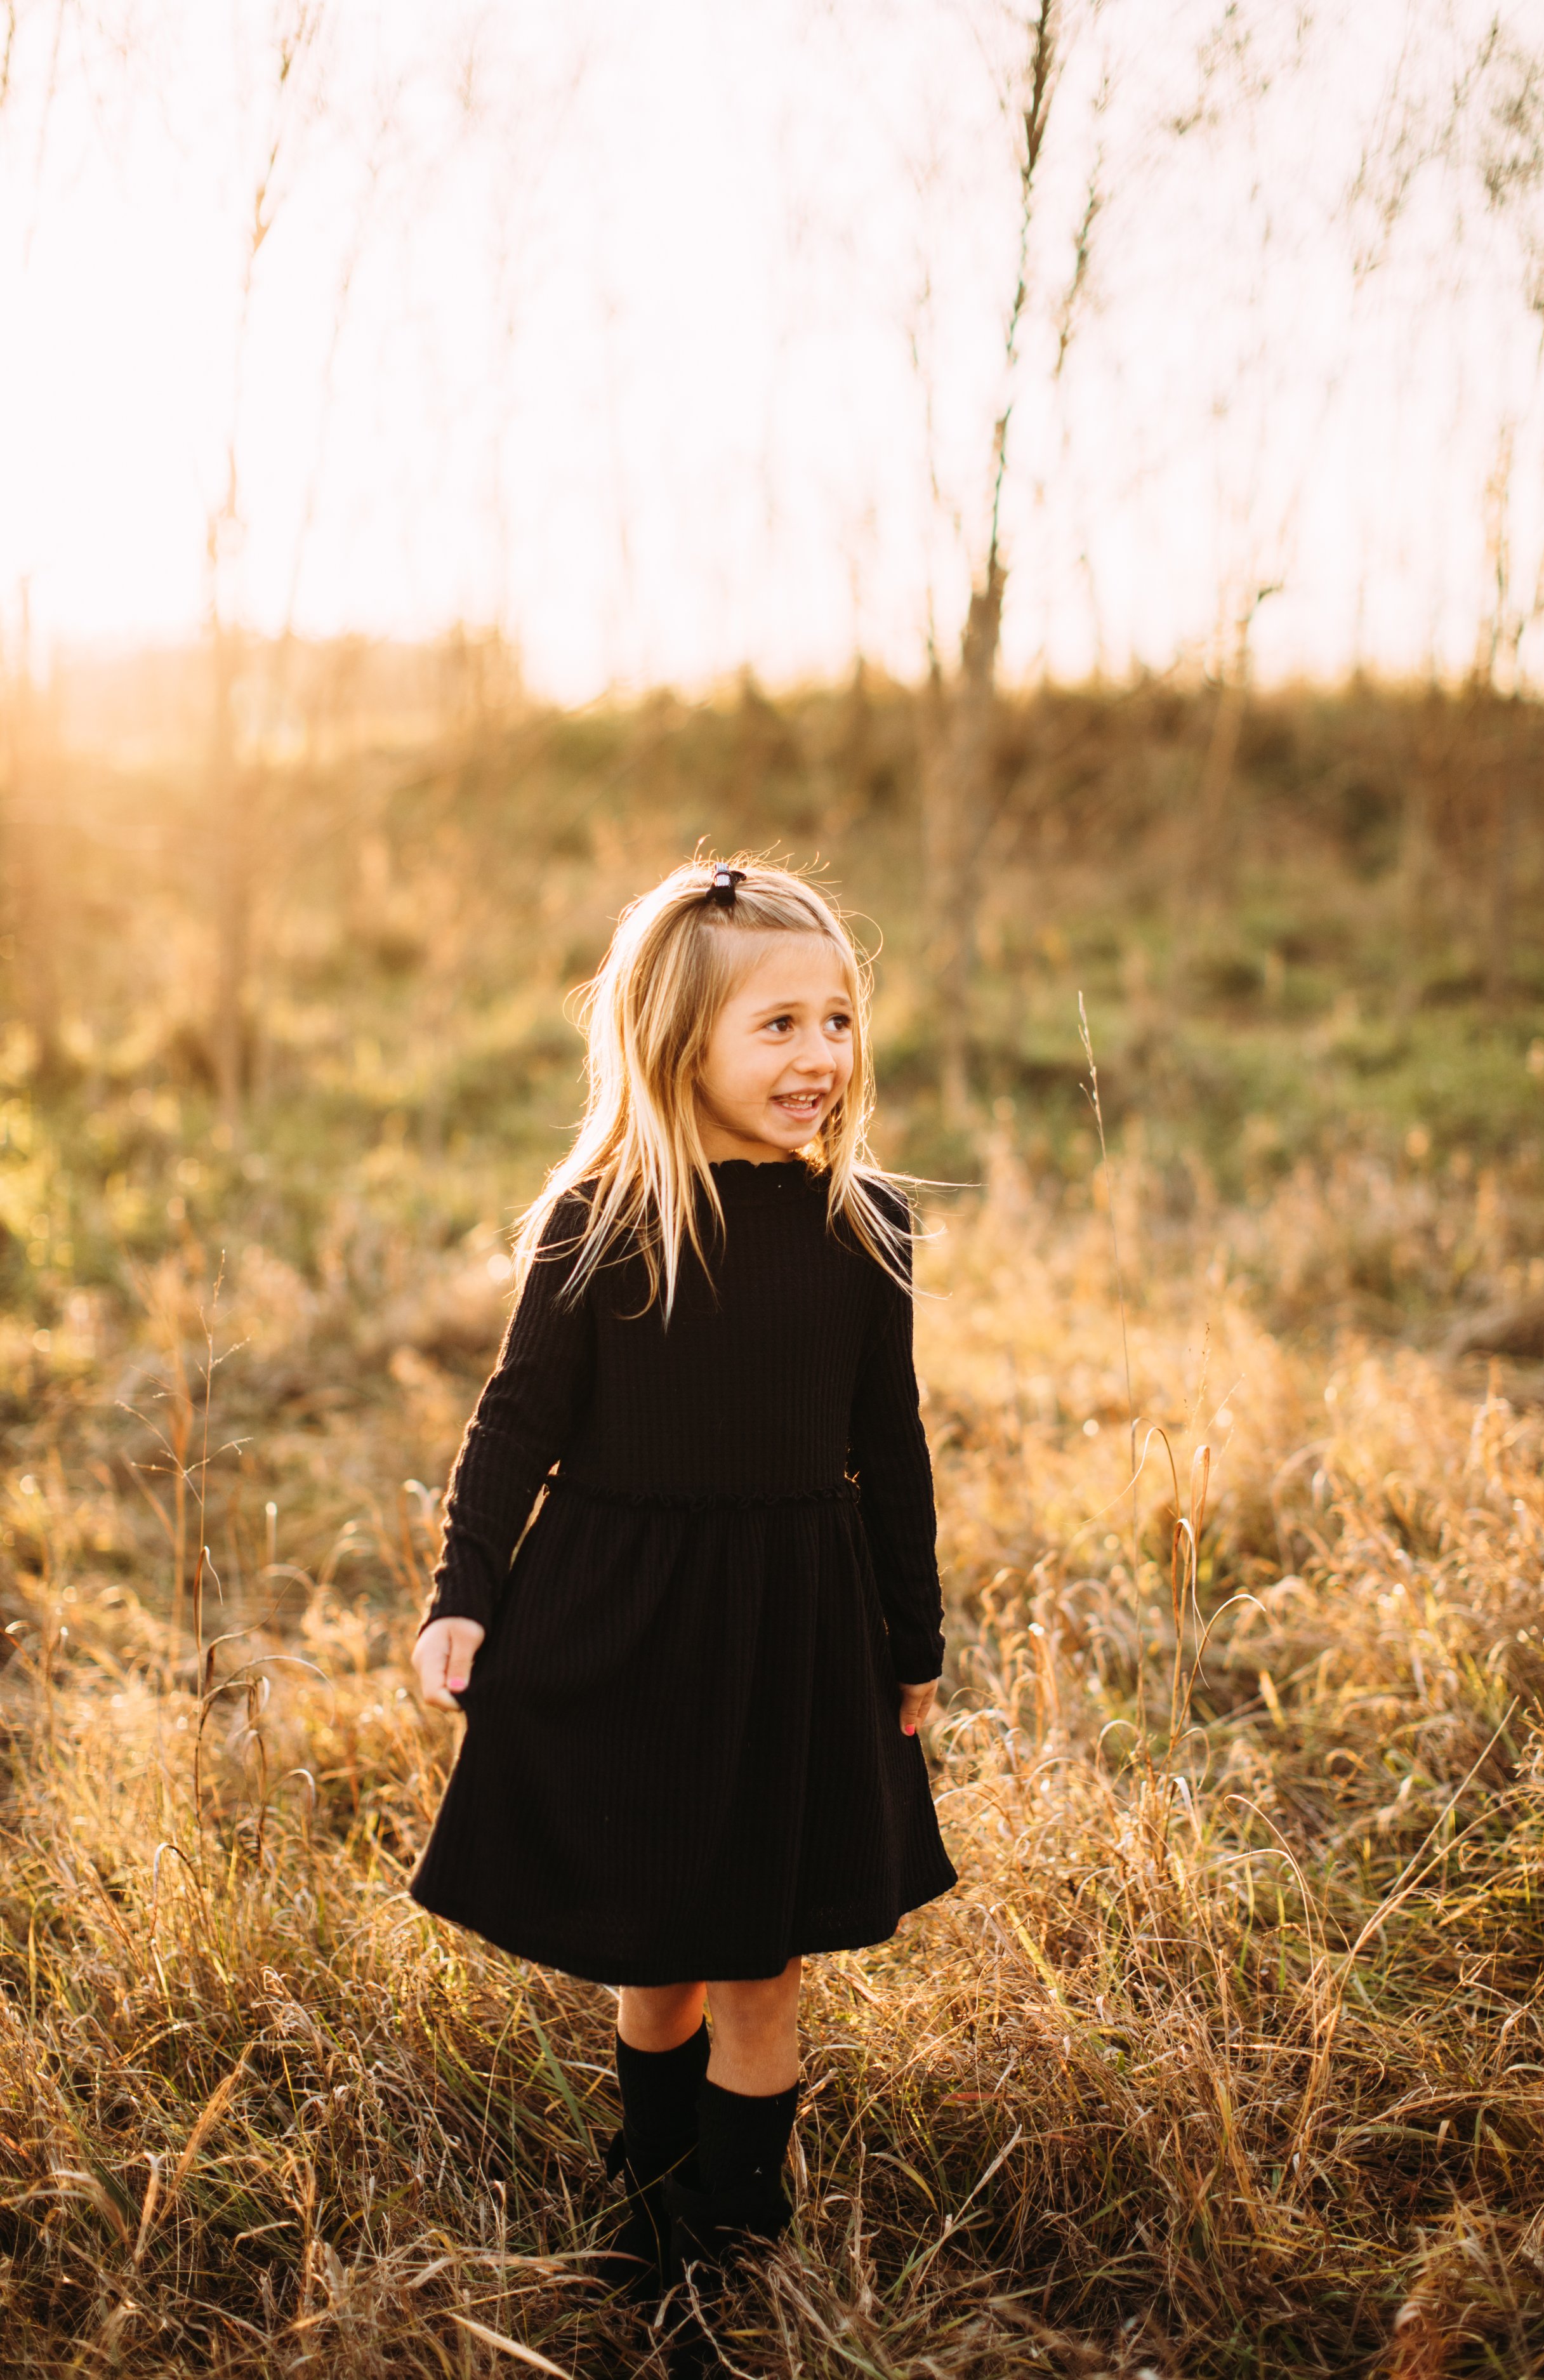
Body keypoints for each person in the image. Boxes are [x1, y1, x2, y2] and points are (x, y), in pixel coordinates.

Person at [408, 856, 955, 2318]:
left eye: (835, 1020)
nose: (819, 1056)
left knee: (761, 1965)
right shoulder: (600, 1221)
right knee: (654, 1964)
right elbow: (514, 1419)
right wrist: (462, 1592)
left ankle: (737, 2244)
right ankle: (645, 2214)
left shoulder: (865, 1228)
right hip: (628, 1617)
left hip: (793, 1626)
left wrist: (913, 1639)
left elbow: (886, 1445)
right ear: (676, 1045)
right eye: (776, 1026)